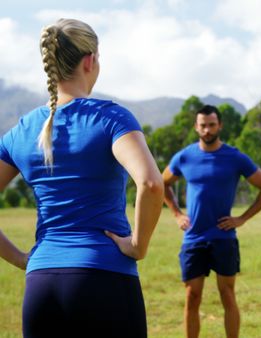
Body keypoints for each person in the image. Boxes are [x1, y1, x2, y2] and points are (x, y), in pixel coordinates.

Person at [0, 18, 164, 337]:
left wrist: (21, 258)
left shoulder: (21, 130)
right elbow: (151, 183)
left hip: (41, 285)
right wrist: (138, 246)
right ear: (90, 61)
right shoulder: (110, 118)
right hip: (105, 278)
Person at [162, 104, 261, 338]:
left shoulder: (235, 158)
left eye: (212, 125)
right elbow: (162, 183)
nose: (207, 130)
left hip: (224, 237)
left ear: (220, 125)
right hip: (193, 237)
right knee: (192, 296)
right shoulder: (184, 157)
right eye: (203, 125)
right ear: (196, 127)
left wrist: (242, 219)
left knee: (227, 294)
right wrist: (177, 214)